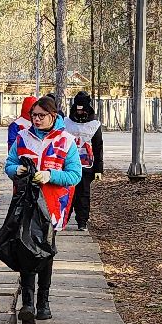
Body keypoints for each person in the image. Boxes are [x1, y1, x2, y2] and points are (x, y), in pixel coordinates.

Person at [4, 95, 81, 324]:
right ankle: (27, 302)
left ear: (53, 116)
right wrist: (16, 169)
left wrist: (50, 176)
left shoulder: (66, 141)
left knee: (46, 251)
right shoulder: (22, 137)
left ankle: (43, 303)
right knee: (26, 250)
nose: (36, 120)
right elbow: (8, 164)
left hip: (52, 205)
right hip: (26, 204)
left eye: (41, 116)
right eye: (33, 115)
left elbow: (75, 175)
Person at [65, 91, 105, 229]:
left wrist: (99, 169)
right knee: (67, 192)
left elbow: (98, 147)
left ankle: (82, 222)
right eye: (78, 109)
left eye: (82, 110)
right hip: (68, 165)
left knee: (83, 195)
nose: (80, 113)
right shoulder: (66, 122)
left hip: (86, 165)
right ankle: (63, 220)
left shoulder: (94, 124)